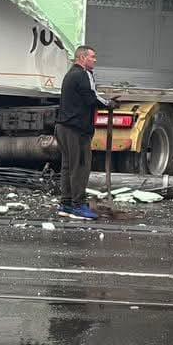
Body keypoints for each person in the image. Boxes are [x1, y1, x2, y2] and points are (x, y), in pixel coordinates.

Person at [55, 45, 117, 220]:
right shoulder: (83, 74)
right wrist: (108, 104)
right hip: (77, 130)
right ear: (82, 58)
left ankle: (66, 204)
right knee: (80, 167)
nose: (95, 60)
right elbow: (92, 97)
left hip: (63, 127)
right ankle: (78, 205)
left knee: (67, 166)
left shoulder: (70, 75)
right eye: (92, 57)